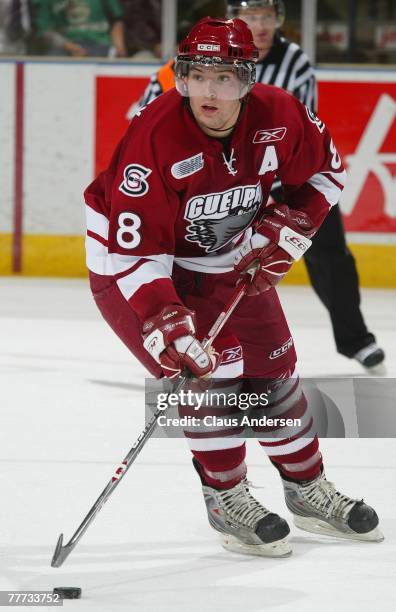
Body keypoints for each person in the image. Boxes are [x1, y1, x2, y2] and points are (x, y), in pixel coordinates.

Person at [84, 17, 383, 557]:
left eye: (222, 77)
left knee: (274, 367)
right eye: (196, 75)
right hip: (135, 269)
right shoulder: (152, 139)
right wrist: (168, 323)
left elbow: (330, 172)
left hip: (227, 258)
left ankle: (306, 488)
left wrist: (296, 223)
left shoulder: (281, 114)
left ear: (246, 80)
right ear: (181, 78)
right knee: (211, 374)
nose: (207, 91)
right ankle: (226, 498)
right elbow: (135, 254)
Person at [135, 0, 385, 370]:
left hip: (283, 178)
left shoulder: (294, 60)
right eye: (252, 17)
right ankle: (199, 350)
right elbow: (147, 115)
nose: (261, 25)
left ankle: (355, 340)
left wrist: (284, 204)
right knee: (205, 268)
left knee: (332, 257)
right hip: (222, 185)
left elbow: (301, 124)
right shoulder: (193, 59)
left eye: (267, 17)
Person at [30, 0, 126, 58]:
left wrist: (119, 46)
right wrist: (68, 46)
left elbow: (116, 19)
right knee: (52, 59)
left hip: (100, 44)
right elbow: (44, 29)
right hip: (63, 49)